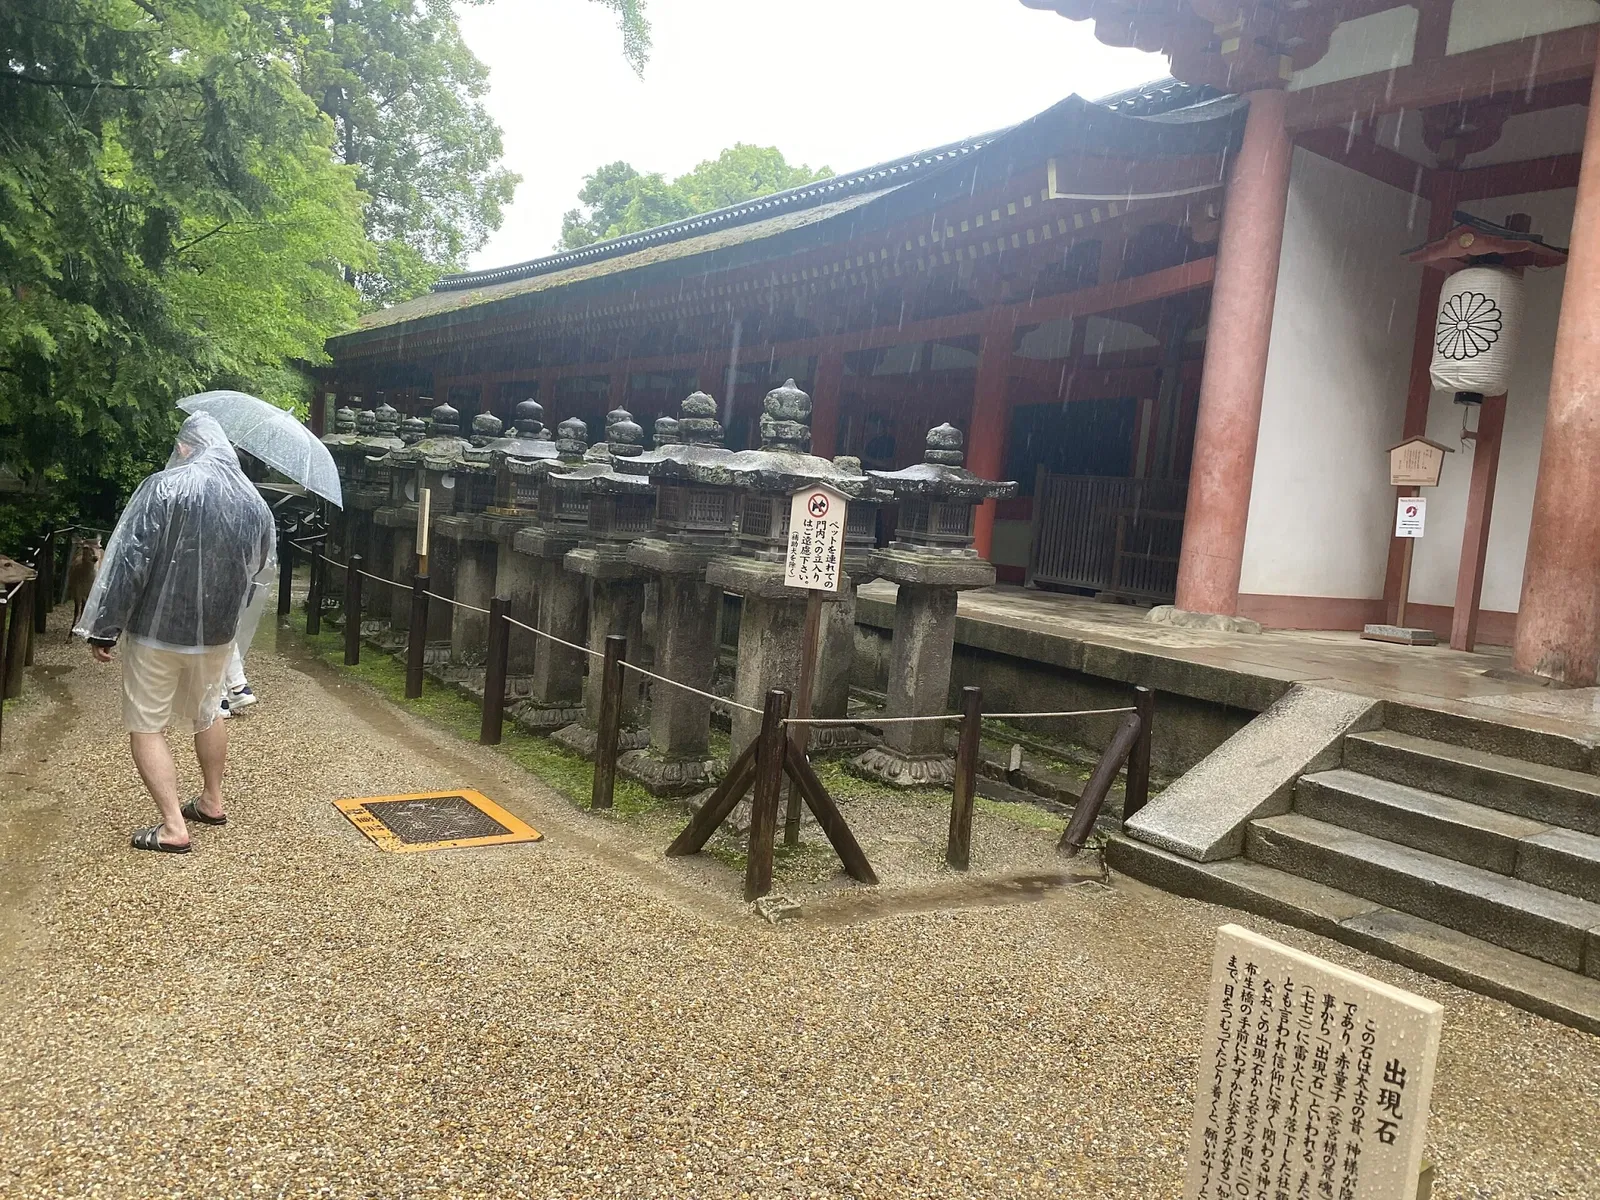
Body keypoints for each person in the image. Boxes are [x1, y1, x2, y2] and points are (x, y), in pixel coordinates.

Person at [75, 413, 276, 853]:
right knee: (210, 711)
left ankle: (172, 827)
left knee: (147, 724)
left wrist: (105, 628)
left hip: (156, 632)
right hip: (217, 635)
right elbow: (258, 568)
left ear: (185, 447)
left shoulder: (164, 488)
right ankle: (211, 800)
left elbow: (130, 559)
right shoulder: (253, 502)